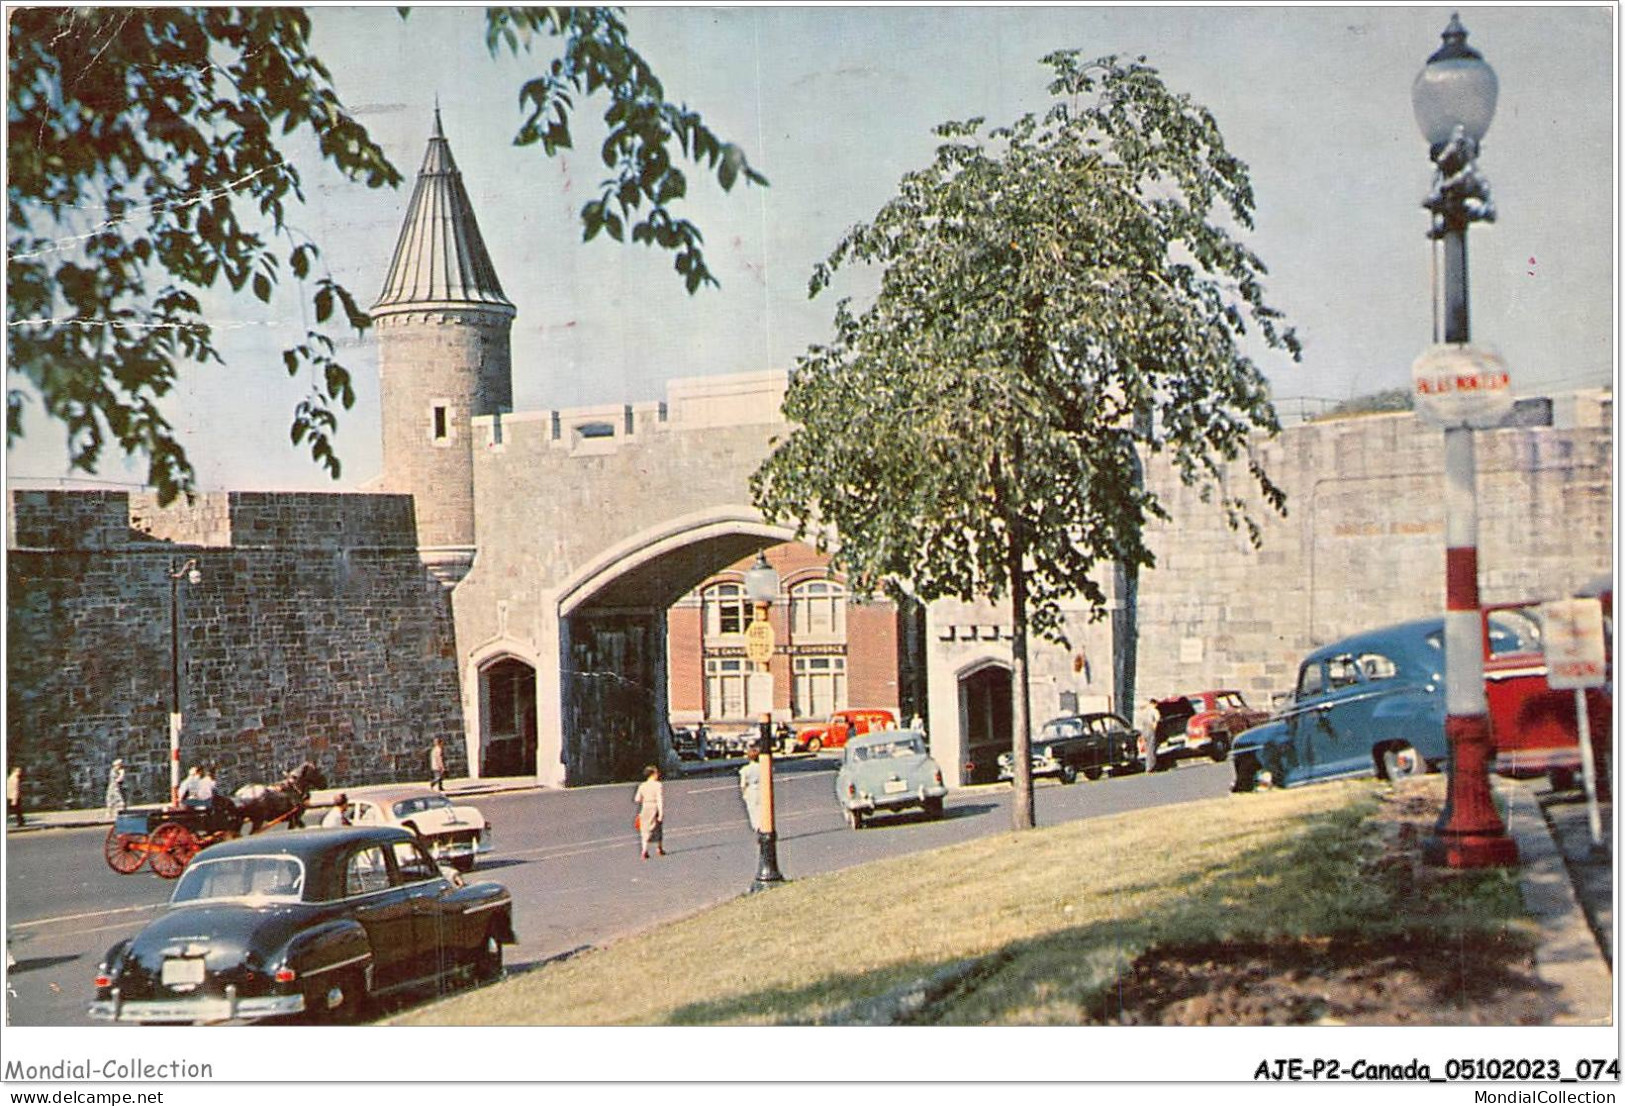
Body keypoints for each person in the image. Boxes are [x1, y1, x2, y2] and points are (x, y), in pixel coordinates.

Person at [632, 766, 665, 859]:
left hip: (645, 807)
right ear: (652, 774)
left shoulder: (642, 785)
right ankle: (659, 848)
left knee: (645, 829)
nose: (658, 775)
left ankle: (644, 850)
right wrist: (661, 812)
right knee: (657, 827)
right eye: (656, 773)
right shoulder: (658, 785)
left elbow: (637, 799)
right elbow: (659, 799)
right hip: (654, 807)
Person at [738, 746, 762, 832]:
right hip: (762, 788)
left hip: (751, 790)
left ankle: (756, 826)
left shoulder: (745, 769)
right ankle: (763, 823)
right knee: (761, 808)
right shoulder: (763, 767)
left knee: (752, 809)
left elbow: (743, 784)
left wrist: (744, 794)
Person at [1137, 697, 1160, 772]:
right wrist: (1154, 729)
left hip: (1144, 730)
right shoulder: (1154, 711)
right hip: (1150, 729)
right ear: (1154, 704)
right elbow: (1156, 721)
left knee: (1147, 749)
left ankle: (1147, 766)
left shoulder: (1144, 711)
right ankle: (1151, 767)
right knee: (1151, 748)